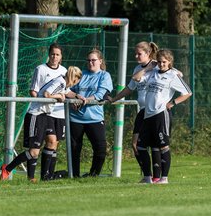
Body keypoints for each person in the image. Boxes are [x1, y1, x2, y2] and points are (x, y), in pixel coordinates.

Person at [0, 66, 83, 181]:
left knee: (45, 145)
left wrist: (77, 97)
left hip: (44, 115)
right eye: (76, 81)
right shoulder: (61, 82)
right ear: (74, 79)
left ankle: (38, 177)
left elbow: (66, 92)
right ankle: (7, 168)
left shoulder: (62, 82)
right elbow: (46, 94)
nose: (74, 84)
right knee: (34, 151)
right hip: (35, 114)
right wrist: (58, 96)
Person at [132, 49, 192, 184]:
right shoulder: (152, 72)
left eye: (164, 62)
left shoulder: (173, 75)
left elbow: (188, 93)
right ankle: (147, 177)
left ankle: (164, 178)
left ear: (170, 62)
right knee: (140, 146)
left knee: (163, 145)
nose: (161, 64)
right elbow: (136, 78)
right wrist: (149, 67)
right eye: (159, 61)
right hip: (148, 115)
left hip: (160, 114)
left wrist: (173, 103)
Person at [107, 41, 159, 181]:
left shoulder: (157, 66)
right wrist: (115, 99)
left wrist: (149, 68)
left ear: (148, 53)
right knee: (135, 144)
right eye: (135, 53)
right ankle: (147, 175)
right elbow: (130, 87)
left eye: (139, 53)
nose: (136, 56)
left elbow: (175, 73)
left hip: (154, 111)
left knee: (155, 145)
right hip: (142, 111)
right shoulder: (138, 68)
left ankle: (157, 177)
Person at [66, 49, 113, 178]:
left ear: (100, 61)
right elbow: (68, 90)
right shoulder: (81, 74)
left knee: (101, 150)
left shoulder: (104, 75)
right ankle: (74, 176)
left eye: (93, 60)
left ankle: (93, 175)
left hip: (95, 118)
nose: (91, 62)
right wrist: (72, 100)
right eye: (89, 60)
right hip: (75, 118)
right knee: (74, 149)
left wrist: (86, 100)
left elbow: (100, 94)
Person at [28, 43, 68, 180]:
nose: (54, 57)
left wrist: (78, 97)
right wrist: (43, 101)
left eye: (57, 54)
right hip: (43, 112)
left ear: (61, 56)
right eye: (52, 54)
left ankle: (47, 175)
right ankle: (32, 176)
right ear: (48, 54)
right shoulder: (41, 69)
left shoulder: (64, 71)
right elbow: (34, 91)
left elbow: (66, 91)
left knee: (54, 143)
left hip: (59, 112)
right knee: (40, 145)